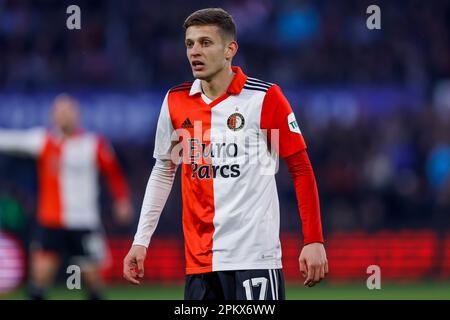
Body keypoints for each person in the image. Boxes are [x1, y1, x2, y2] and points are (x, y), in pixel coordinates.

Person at [123, 8, 328, 300]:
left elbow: (301, 169)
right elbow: (164, 170)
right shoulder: (175, 101)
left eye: (205, 43)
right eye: (189, 44)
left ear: (230, 49)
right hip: (199, 263)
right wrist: (140, 241)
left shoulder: (264, 98)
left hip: (253, 259)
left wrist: (314, 240)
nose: (195, 51)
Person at [0, 94, 133, 300]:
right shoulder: (43, 141)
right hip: (51, 222)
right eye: (58, 111)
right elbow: (9, 140)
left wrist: (122, 200)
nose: (63, 116)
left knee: (93, 283)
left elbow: (114, 173)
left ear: (76, 114)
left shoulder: (93, 144)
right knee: (39, 281)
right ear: (53, 116)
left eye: (67, 111)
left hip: (84, 222)